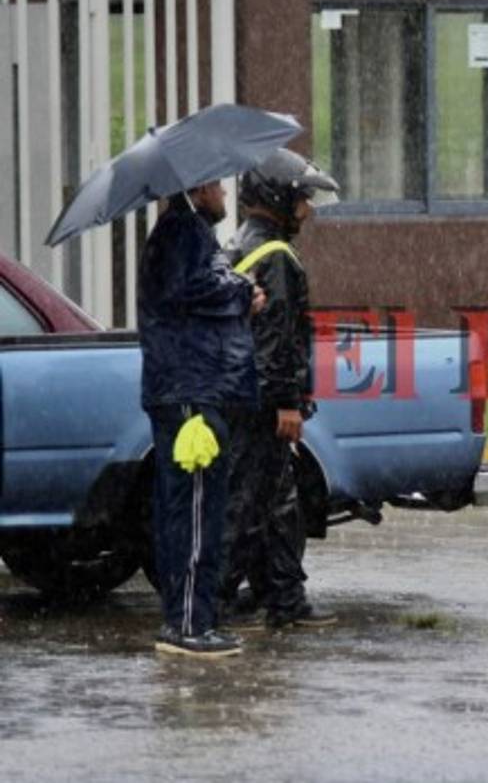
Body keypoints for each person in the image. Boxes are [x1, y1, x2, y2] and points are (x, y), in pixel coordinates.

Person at [138, 179, 264, 658]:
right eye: (218, 188)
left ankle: (188, 617)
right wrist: (241, 290)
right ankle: (188, 624)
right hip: (190, 392)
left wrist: (233, 290)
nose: (226, 198)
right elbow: (194, 288)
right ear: (199, 188)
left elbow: (195, 293)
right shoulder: (183, 232)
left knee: (189, 507)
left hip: (188, 388)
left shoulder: (185, 233)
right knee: (195, 509)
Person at [218, 149, 340, 630]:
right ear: (277, 197)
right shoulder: (277, 257)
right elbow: (278, 339)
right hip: (263, 402)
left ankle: (285, 600)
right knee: (249, 506)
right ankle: (212, 603)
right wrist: (286, 403)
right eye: (301, 199)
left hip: (239, 396)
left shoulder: (238, 246)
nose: (307, 210)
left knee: (275, 503)